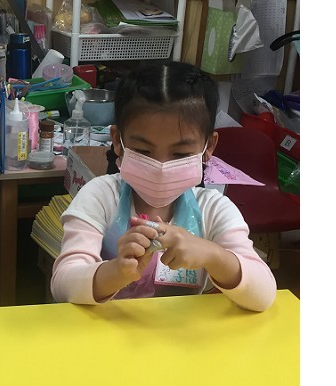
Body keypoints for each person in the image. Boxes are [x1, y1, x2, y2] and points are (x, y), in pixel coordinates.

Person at [51, 61, 276, 312]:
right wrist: (116, 272)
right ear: (117, 140)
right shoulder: (100, 196)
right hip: (103, 331)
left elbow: (263, 295)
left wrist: (213, 255)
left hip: (181, 333)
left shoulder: (214, 209)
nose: (160, 166)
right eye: (143, 151)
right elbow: (62, 285)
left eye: (180, 154)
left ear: (208, 147)